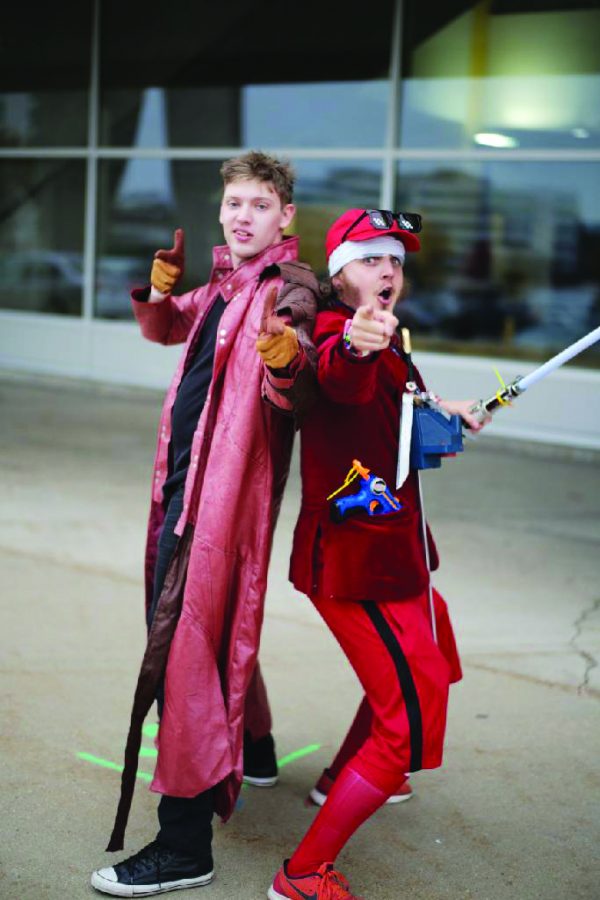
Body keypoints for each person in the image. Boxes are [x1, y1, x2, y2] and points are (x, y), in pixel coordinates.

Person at [91, 151, 320, 897]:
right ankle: (255, 748)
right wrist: (159, 292)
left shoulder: (289, 289)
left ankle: (185, 842)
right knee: (210, 633)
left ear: (286, 216)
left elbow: (297, 368)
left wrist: (288, 363)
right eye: (233, 203)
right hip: (182, 496)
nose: (241, 215)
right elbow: (167, 328)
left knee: (186, 653)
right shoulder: (226, 283)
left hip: (219, 512)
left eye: (259, 204)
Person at [269, 208, 489, 900]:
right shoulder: (343, 334)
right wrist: (364, 344)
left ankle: (343, 775)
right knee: (409, 713)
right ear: (338, 274)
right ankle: (302, 875)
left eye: (394, 260)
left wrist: (444, 405)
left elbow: (393, 397)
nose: (388, 271)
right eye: (370, 258)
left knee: (435, 646)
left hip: (390, 549)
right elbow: (340, 375)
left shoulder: (390, 340)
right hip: (354, 559)